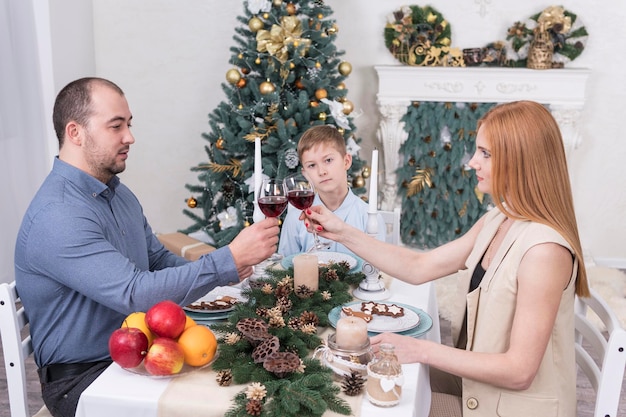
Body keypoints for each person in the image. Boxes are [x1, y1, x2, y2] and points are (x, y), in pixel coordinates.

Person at [303, 101, 589, 416]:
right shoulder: (499, 220)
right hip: (480, 387)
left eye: (485, 153)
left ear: (520, 161)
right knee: (361, 369)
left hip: (511, 406)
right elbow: (418, 267)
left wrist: (422, 349)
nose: (471, 163)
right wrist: (341, 231)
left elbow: (519, 371)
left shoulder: (544, 251)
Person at [14, 77, 279, 417]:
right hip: (85, 380)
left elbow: (156, 260)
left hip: (141, 351)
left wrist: (226, 268)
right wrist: (224, 262)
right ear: (75, 133)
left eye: (129, 124)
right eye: (116, 126)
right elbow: (135, 294)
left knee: (244, 384)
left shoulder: (117, 193)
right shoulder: (58, 215)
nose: (130, 137)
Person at [278, 124, 385, 257]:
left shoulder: (369, 218)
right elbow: (284, 270)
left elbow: (377, 272)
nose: (321, 171)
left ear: (346, 161)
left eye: (328, 160)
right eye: (312, 165)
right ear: (305, 174)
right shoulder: (295, 219)